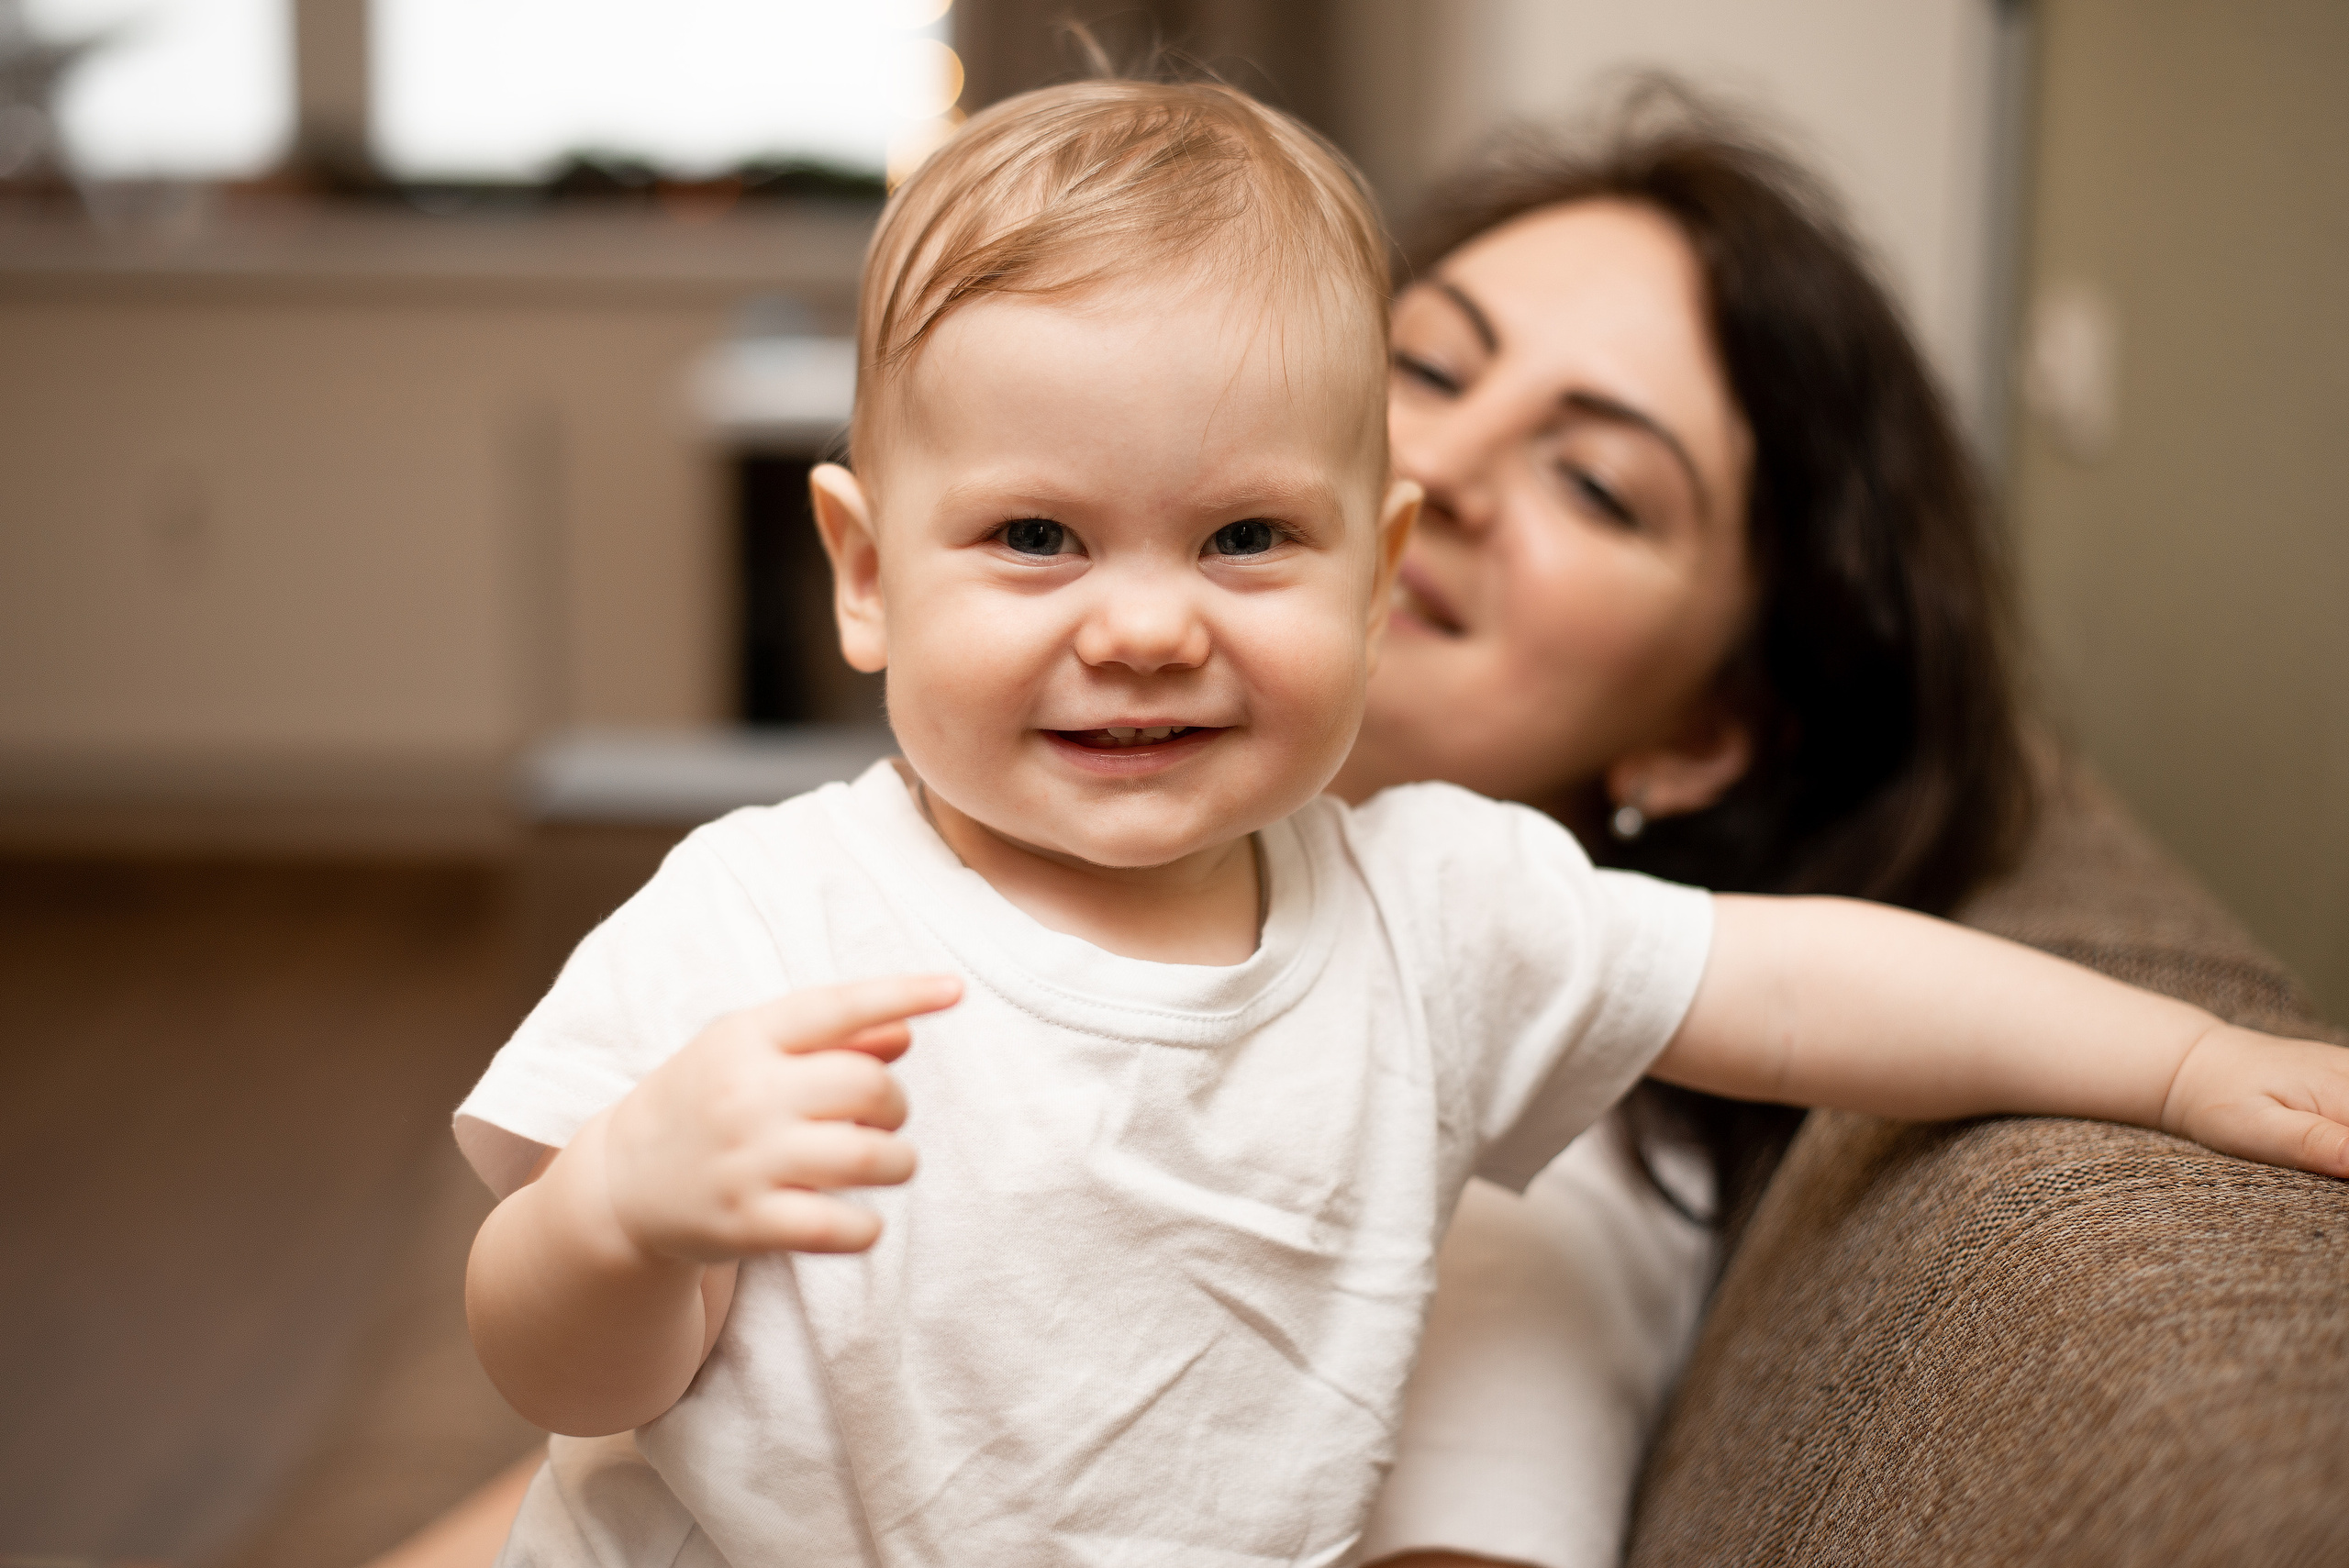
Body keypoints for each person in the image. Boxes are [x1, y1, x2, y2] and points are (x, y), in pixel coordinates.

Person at [451, 76, 2349, 1567]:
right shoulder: (767, 910)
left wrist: (2176, 1064)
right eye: (1034, 535)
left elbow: (1791, 987)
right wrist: (621, 1219)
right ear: (864, 577)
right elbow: (559, 1367)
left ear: (1374, 564)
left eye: (1247, 536)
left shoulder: (1442, 927)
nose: (1139, 621)